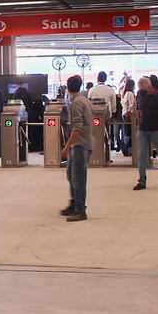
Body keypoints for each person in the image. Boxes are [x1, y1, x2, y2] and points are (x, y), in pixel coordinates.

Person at [59, 75, 94, 222]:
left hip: (81, 144)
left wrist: (66, 147)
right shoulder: (83, 100)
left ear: (67, 88)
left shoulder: (76, 103)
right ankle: (74, 204)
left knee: (78, 178)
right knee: (71, 174)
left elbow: (77, 128)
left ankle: (80, 210)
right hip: (79, 144)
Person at [119, 79, 136, 156]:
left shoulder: (124, 93)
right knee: (129, 133)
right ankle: (127, 149)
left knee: (127, 132)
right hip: (128, 114)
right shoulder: (130, 93)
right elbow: (131, 105)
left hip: (124, 113)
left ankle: (125, 148)